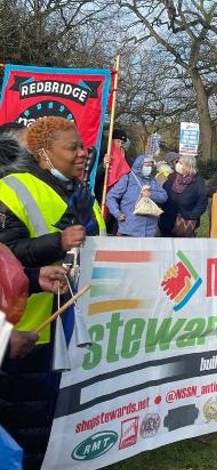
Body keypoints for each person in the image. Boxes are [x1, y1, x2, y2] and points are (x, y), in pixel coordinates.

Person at [0, 119, 105, 470]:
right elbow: (5, 256)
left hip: (75, 327)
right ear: (43, 154)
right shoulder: (12, 189)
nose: (82, 153)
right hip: (26, 330)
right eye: (72, 147)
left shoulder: (82, 194)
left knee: (52, 421)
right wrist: (55, 244)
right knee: (24, 428)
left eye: (83, 145)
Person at [106, 155, 168, 237]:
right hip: (129, 229)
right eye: (147, 165)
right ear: (139, 165)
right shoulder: (128, 178)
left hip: (149, 231)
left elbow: (164, 197)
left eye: (150, 166)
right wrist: (117, 213)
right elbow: (111, 197)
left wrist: (151, 195)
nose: (149, 168)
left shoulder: (153, 180)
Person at [159, 155, 207, 238]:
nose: (177, 164)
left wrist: (191, 215)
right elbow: (164, 193)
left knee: (181, 249)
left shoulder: (198, 182)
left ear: (188, 166)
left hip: (184, 223)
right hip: (167, 220)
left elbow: (202, 202)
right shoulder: (172, 177)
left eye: (181, 163)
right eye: (178, 162)